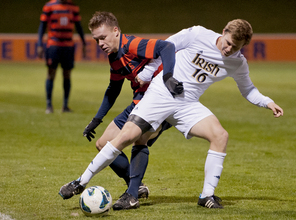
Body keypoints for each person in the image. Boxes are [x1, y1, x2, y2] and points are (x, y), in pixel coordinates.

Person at [60, 18, 283, 209]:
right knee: (126, 137)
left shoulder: (238, 63)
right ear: (223, 31)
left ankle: (206, 196)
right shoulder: (198, 34)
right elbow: (165, 47)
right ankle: (81, 181)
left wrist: (267, 102)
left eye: (235, 47)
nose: (228, 49)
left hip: (188, 103)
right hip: (161, 93)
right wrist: (147, 74)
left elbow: (248, 90)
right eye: (227, 43)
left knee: (220, 136)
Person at [59, 11, 177, 210]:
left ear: (116, 31)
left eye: (103, 38)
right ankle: (136, 186)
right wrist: (97, 119)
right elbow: (113, 89)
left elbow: (167, 47)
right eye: (96, 40)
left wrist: (168, 77)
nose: (100, 43)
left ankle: (131, 195)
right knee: (103, 143)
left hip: (161, 103)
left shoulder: (132, 45)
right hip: (139, 102)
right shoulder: (114, 57)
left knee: (138, 140)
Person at [37, 0, 86, 114]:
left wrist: (83, 43)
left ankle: (65, 105)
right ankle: (49, 105)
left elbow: (79, 26)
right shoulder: (49, 6)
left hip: (68, 46)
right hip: (53, 45)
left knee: (67, 74)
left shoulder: (73, 7)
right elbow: (42, 27)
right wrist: (39, 44)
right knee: (51, 73)